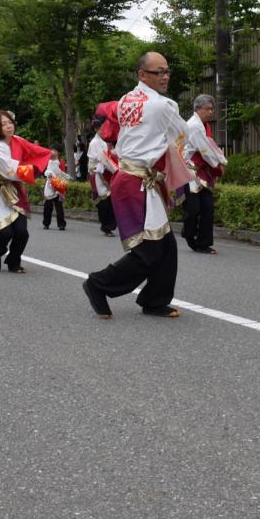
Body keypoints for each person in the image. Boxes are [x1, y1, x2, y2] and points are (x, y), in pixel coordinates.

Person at [83, 52, 191, 320]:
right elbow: (183, 136)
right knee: (148, 250)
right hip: (135, 182)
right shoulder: (163, 106)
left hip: (137, 179)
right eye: (159, 72)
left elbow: (108, 113)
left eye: (167, 71)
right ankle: (98, 284)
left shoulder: (125, 101)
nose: (165, 76)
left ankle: (155, 300)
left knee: (165, 245)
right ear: (143, 75)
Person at [0, 111, 50, 273]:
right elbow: (11, 171)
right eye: (3, 124)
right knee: (4, 232)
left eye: (9, 122)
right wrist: (32, 170)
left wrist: (48, 156)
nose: (8, 125)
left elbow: (34, 150)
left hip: (14, 188)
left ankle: (13, 261)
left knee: (21, 232)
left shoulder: (17, 140)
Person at [182, 94, 227, 255]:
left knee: (207, 206)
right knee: (193, 209)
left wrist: (221, 161)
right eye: (207, 109)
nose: (211, 112)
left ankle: (203, 243)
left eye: (212, 109)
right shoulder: (194, 125)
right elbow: (205, 150)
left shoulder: (203, 125)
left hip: (200, 172)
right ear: (197, 109)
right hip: (188, 172)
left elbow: (210, 145)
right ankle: (190, 234)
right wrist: (218, 165)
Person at [87, 109, 120, 237]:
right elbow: (103, 159)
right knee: (103, 200)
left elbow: (108, 156)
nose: (104, 130)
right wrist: (116, 170)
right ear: (96, 129)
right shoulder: (95, 143)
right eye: (101, 128)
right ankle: (106, 226)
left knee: (110, 199)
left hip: (105, 172)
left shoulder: (104, 142)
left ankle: (109, 225)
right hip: (98, 174)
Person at [42, 147, 70, 230]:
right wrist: (49, 176)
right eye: (52, 150)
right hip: (49, 185)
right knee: (47, 206)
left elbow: (62, 172)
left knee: (59, 206)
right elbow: (47, 171)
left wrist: (62, 183)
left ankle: (61, 224)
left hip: (58, 184)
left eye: (55, 150)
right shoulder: (49, 160)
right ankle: (46, 223)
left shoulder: (60, 162)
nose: (52, 152)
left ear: (58, 152)